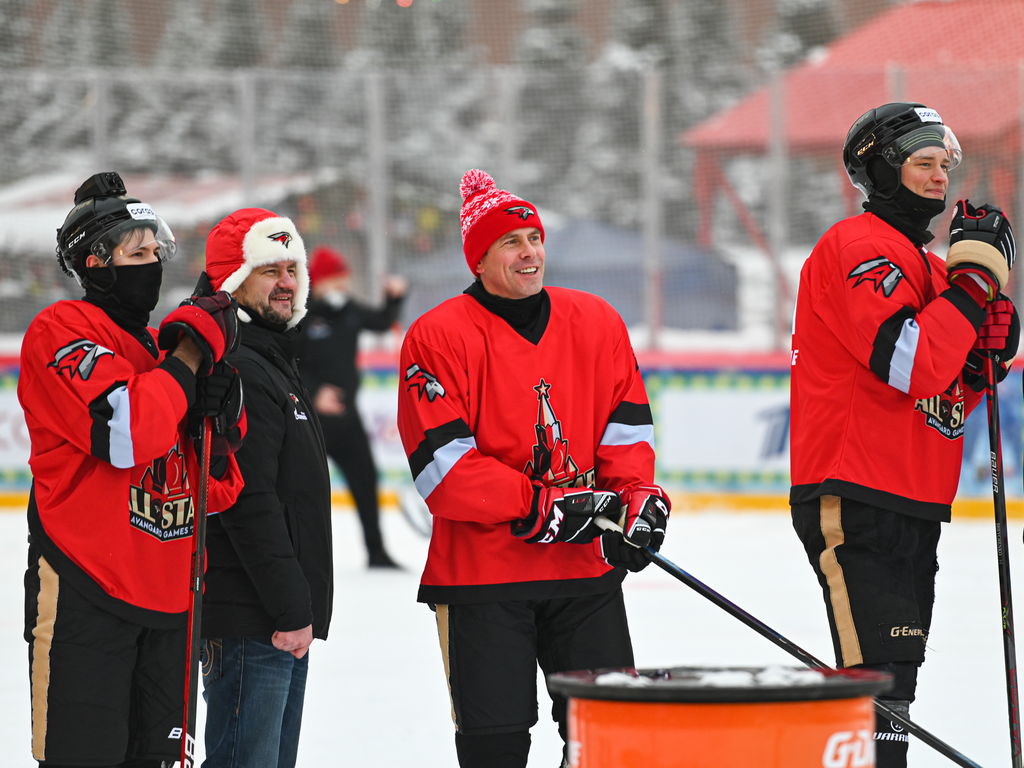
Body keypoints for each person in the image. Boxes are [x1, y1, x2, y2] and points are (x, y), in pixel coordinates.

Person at [396, 169, 670, 768]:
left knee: (606, 737)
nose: (530, 252)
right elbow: (442, 469)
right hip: (482, 580)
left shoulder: (597, 321)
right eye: (511, 243)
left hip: (583, 572)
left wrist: (638, 499)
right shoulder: (436, 336)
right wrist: (538, 507)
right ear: (479, 259)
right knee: (495, 746)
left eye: (535, 238)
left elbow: (626, 433)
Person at [790, 103, 1018, 767]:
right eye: (923, 163)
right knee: (878, 685)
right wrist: (973, 287)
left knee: (897, 684)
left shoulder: (930, 268)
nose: (940, 177)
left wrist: (983, 364)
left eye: (945, 164)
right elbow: (912, 364)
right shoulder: (858, 246)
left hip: (912, 495)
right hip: (856, 488)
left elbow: (943, 398)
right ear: (882, 168)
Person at [21, 171, 245, 768]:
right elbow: (123, 432)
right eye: (136, 253)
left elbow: (215, 491)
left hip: (172, 603)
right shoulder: (60, 331)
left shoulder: (156, 348)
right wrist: (190, 359)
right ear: (95, 262)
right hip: (87, 592)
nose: (153, 265)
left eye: (156, 252)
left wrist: (220, 421)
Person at [198, 207, 334, 768]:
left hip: (272, 616)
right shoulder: (241, 366)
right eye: (268, 270)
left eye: (291, 268)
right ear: (233, 280)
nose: (286, 282)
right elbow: (248, 503)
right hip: (252, 620)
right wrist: (289, 607)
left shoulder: (272, 359)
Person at [297, 245, 406, 568]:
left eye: (344, 279)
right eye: (335, 280)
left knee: (365, 478)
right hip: (311, 420)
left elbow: (382, 322)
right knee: (305, 490)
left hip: (347, 418)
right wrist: (315, 393)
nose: (341, 286)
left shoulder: (351, 312)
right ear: (318, 282)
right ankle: (304, 558)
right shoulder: (302, 315)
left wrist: (394, 298)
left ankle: (376, 551)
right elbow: (290, 362)